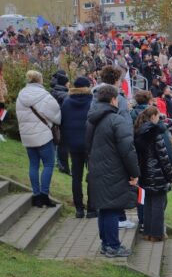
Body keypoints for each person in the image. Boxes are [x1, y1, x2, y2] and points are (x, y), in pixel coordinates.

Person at [86, 84, 140, 258]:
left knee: (104, 208)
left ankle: (106, 244)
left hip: (97, 168)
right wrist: (134, 172)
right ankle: (113, 246)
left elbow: (87, 145)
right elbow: (128, 150)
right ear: (113, 99)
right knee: (112, 209)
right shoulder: (117, 120)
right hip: (113, 171)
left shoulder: (91, 119)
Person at [16, 70, 61, 207]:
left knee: (33, 165)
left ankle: (36, 196)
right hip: (43, 134)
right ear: (40, 80)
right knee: (48, 164)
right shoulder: (44, 95)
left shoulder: (21, 95)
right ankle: (44, 195)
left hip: (28, 136)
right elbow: (56, 114)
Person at [134, 106, 172, 242]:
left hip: (144, 173)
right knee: (158, 204)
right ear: (153, 117)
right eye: (157, 116)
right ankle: (157, 234)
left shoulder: (138, 132)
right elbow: (163, 156)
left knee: (148, 204)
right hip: (156, 173)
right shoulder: (155, 133)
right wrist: (170, 175)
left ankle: (148, 232)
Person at [61, 76, 94, 218]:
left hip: (73, 144)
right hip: (90, 144)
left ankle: (79, 209)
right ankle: (92, 209)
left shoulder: (67, 102)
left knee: (76, 176)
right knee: (92, 176)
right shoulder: (92, 101)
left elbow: (63, 122)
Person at [0, 61, 7, 142]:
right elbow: (4, 91)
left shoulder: (1, 76)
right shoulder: (1, 76)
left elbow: (5, 91)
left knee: (1, 116)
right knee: (0, 117)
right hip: (1, 100)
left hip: (2, 100)